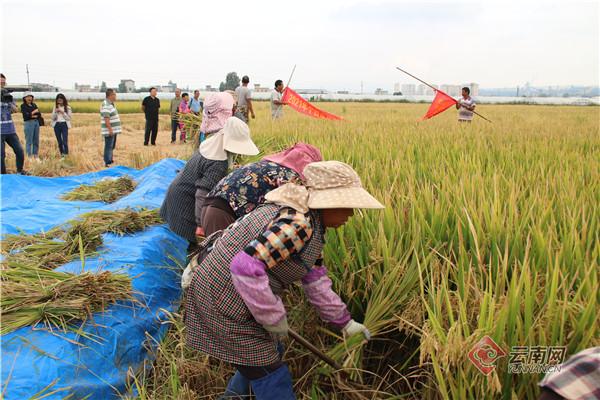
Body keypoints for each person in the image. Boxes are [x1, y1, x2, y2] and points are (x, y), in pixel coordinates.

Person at [183, 161, 384, 399]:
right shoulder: (297, 224)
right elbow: (245, 266)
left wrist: (346, 323)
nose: (351, 214)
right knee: (272, 374)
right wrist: (273, 317)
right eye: (347, 206)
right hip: (219, 299)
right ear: (327, 202)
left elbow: (316, 282)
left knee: (266, 355)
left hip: (231, 294)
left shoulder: (311, 225)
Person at [159, 94, 259, 253]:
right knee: (194, 248)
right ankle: (190, 272)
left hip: (177, 191)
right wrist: (200, 224)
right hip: (185, 202)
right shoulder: (218, 161)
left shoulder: (213, 142)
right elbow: (201, 194)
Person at [199, 143, 323, 236]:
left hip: (209, 206)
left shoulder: (268, 166)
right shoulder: (290, 177)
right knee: (222, 265)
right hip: (224, 213)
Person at [1, 73, 26, 174]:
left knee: (20, 151)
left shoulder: (8, 97)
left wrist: (9, 101)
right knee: (1, 155)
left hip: (10, 130)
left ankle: (20, 170)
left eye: (3, 82)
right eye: (0, 82)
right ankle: (2, 175)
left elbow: (16, 110)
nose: (2, 84)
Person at [100, 89, 121, 167]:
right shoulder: (106, 105)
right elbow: (106, 118)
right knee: (108, 146)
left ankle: (110, 160)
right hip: (109, 130)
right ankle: (107, 162)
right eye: (114, 94)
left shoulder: (111, 104)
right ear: (110, 95)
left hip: (113, 130)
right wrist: (110, 129)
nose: (115, 96)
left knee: (111, 146)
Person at [21, 92, 41, 159]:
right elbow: (26, 116)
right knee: (29, 141)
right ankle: (29, 157)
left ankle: (35, 155)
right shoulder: (23, 106)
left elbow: (39, 115)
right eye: (27, 97)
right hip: (28, 123)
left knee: (36, 140)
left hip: (36, 123)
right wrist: (33, 112)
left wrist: (31, 115)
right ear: (24, 98)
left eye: (30, 96)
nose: (29, 98)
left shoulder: (34, 105)